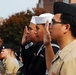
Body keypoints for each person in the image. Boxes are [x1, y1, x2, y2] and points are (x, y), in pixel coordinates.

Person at [44, 2, 76, 75]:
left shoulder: (71, 59)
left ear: (66, 27)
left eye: (53, 22)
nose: (50, 27)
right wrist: (47, 44)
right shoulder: (64, 53)